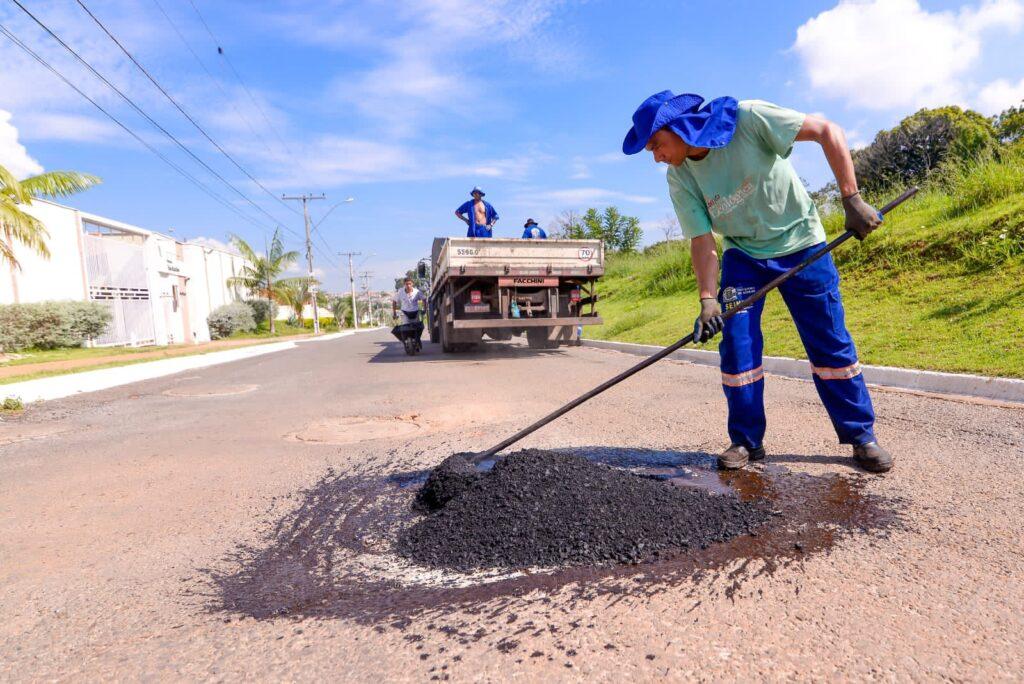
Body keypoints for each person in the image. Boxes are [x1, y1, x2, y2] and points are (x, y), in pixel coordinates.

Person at [623, 90, 892, 474]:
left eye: (656, 145)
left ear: (677, 128)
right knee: (737, 345)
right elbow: (702, 240)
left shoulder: (748, 119)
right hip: (745, 256)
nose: (656, 156)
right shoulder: (679, 176)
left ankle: (861, 436)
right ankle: (747, 441)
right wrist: (706, 300)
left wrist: (852, 199)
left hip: (802, 243)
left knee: (829, 341)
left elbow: (827, 130)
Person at [392, 277, 426, 341]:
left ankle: (417, 339)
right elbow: (394, 301)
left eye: (409, 284)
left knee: (417, 328)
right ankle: (408, 341)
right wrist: (394, 313)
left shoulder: (417, 292)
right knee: (406, 328)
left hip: (415, 312)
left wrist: (424, 309)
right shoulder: (400, 292)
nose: (408, 285)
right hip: (405, 312)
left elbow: (424, 299)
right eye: (406, 284)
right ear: (404, 284)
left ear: (412, 284)